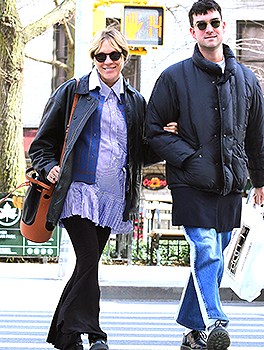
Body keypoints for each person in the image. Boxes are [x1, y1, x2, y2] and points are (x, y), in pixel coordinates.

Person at [29, 26, 176, 350]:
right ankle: (96, 335)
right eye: (100, 56)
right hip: (78, 192)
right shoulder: (74, 92)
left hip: (112, 197)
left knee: (87, 264)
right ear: (93, 58)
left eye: (114, 55)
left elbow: (142, 152)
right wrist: (49, 167)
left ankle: (66, 336)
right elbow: (42, 143)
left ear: (124, 57)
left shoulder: (134, 101)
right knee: (88, 258)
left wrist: (165, 135)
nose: (107, 61)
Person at [146, 1, 264, 349]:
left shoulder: (247, 79)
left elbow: (256, 135)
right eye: (201, 25)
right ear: (193, 32)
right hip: (190, 182)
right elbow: (152, 130)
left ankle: (192, 329)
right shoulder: (174, 77)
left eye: (214, 22)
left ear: (223, 25)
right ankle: (216, 320)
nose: (209, 28)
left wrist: (261, 180)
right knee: (205, 248)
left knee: (214, 258)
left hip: (230, 183)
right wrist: (187, 157)